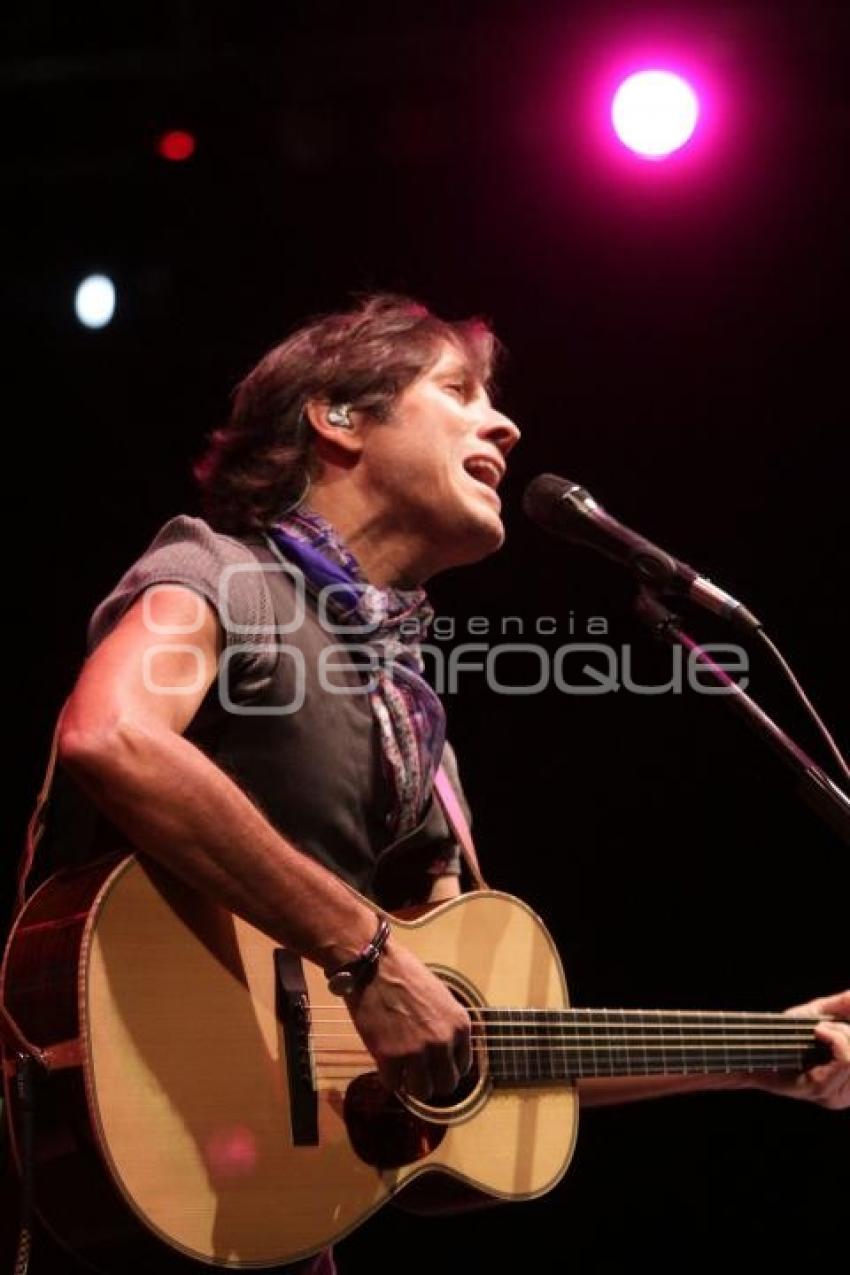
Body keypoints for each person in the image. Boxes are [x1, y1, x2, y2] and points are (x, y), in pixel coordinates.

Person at [11, 294, 850, 1272]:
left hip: (264, 1220)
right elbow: (111, 736)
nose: (505, 422)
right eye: (458, 390)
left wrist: (754, 1054)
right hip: (111, 1136)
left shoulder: (416, 729)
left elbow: (473, 1039)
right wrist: (367, 957)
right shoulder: (222, 572)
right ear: (338, 418)